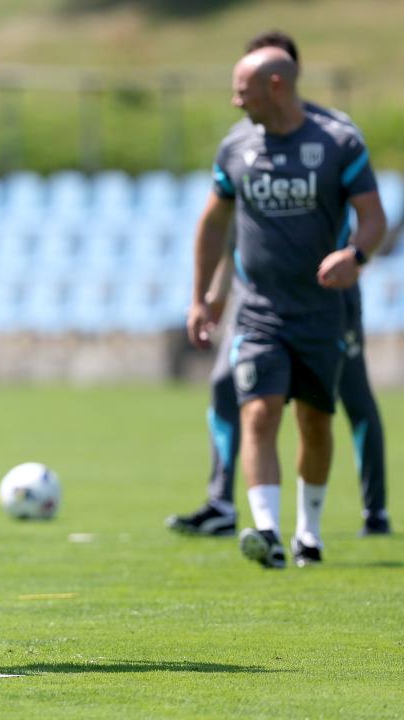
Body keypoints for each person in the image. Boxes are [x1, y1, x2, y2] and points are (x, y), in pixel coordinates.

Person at [168, 30, 392, 540]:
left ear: (276, 82)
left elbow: (373, 217)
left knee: (332, 412)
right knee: (256, 407)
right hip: (260, 311)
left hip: (327, 308)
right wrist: (204, 296)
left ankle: (348, 519)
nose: (234, 99)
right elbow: (217, 226)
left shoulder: (336, 139)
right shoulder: (235, 147)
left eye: (242, 87)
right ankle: (258, 526)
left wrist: (355, 256)